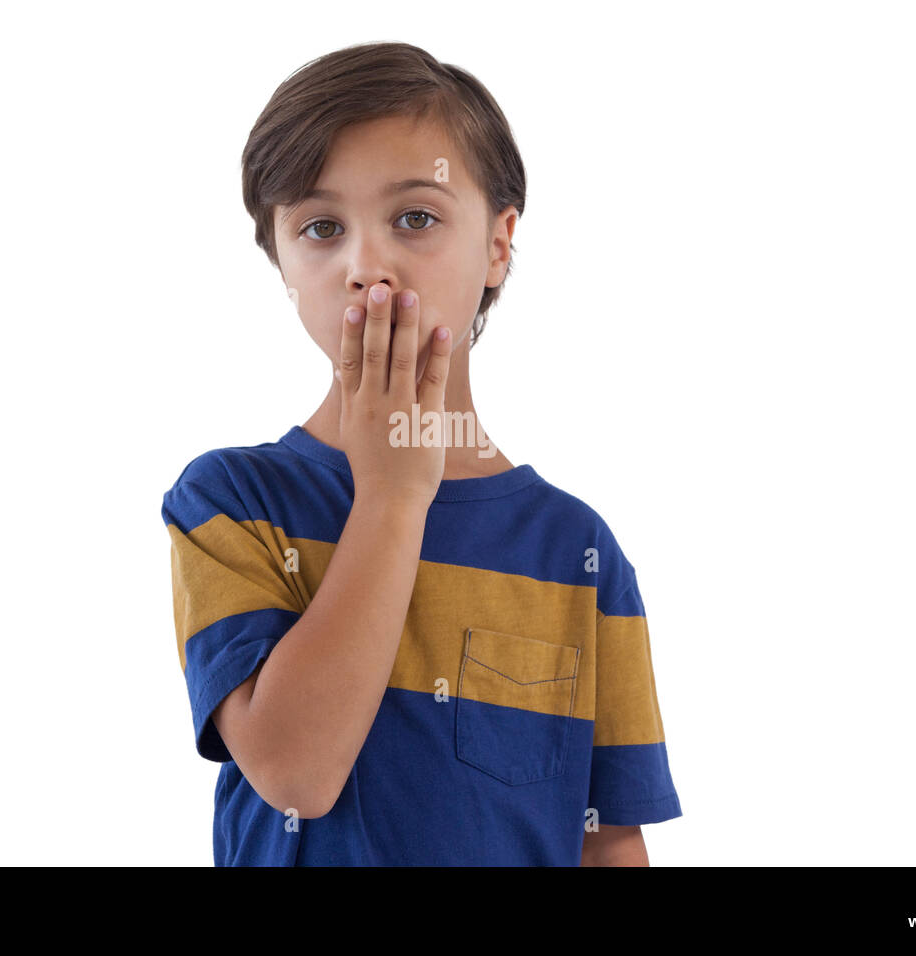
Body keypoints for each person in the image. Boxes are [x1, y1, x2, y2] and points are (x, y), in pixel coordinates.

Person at [161, 41, 682, 866]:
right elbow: (296, 773)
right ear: (282, 262)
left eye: (415, 217)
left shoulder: (577, 552)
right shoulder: (228, 500)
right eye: (321, 228)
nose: (366, 265)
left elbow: (608, 839)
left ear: (499, 244)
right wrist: (393, 497)